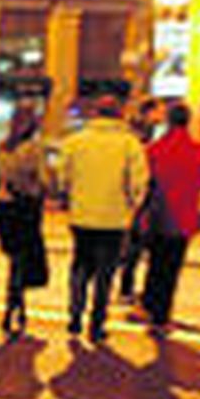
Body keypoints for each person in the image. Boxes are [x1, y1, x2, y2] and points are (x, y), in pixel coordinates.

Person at [56, 95, 149, 343]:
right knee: (105, 273)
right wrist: (131, 206)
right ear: (119, 115)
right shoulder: (130, 144)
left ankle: (74, 316)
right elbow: (139, 183)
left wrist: (69, 197)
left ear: (95, 113)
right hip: (114, 219)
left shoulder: (75, 141)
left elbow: (62, 177)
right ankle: (96, 324)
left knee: (80, 267)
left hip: (82, 216)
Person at [141, 101, 200, 334]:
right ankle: (161, 318)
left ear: (168, 121)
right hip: (183, 218)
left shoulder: (153, 150)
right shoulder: (199, 152)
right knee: (170, 269)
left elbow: (147, 184)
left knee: (155, 264)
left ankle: (149, 306)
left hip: (158, 215)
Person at [0, 100, 50, 338]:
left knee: (15, 260)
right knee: (22, 261)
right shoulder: (33, 148)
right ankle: (12, 309)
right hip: (26, 208)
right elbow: (44, 181)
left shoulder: (0, 148)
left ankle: (17, 307)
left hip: (4, 208)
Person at [116, 97, 162, 303]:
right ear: (148, 112)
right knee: (135, 242)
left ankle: (127, 285)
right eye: (158, 111)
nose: (161, 116)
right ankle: (126, 287)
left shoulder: (140, 131)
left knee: (136, 242)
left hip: (138, 192)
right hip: (141, 192)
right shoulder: (140, 134)